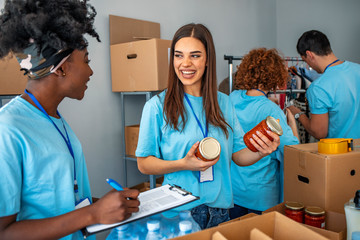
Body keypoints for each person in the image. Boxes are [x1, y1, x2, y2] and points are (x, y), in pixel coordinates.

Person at [0, 1, 140, 239]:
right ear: (61, 69)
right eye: (86, 60)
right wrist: (93, 214)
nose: (91, 71)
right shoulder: (8, 130)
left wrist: (108, 205)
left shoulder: (54, 117)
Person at [135, 23, 280, 230]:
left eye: (195, 55)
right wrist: (183, 163)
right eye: (178, 55)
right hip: (180, 213)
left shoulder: (224, 103)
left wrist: (262, 151)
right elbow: (144, 163)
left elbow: (238, 155)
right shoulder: (157, 107)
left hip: (220, 212)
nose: (185, 63)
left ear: (208, 60)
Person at [228, 48, 300, 219]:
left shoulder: (232, 98)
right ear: (275, 77)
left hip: (234, 191)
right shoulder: (271, 110)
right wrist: (293, 125)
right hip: (261, 195)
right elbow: (292, 151)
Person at [287, 30, 360, 139]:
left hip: (340, 153)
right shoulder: (358, 69)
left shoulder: (318, 87)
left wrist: (298, 114)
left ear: (309, 55)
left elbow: (319, 132)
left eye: (305, 61)